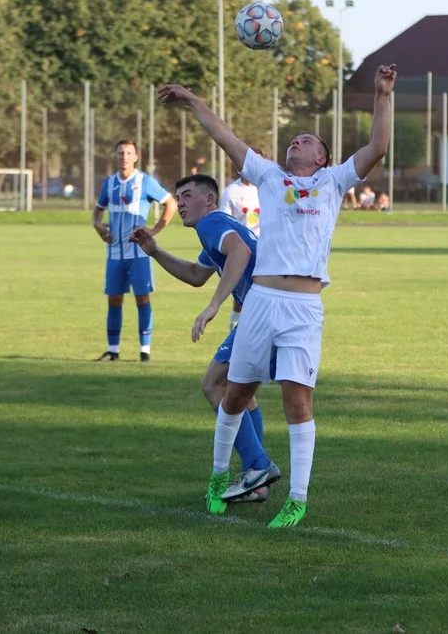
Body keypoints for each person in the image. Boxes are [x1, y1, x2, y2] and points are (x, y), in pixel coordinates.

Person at [158, 64, 397, 527]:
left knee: (297, 401)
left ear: (323, 158)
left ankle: (298, 500)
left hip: (304, 308)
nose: (297, 141)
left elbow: (378, 147)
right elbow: (224, 136)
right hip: (262, 303)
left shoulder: (333, 182)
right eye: (294, 138)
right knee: (234, 394)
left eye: (308, 140)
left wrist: (383, 94)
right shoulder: (268, 176)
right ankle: (218, 477)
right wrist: (191, 101)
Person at [129, 174, 279, 507]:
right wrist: (154, 250)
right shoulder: (217, 225)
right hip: (275, 310)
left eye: (186, 196)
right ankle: (255, 481)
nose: (179, 203)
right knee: (242, 393)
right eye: (177, 197)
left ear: (209, 199)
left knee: (213, 385)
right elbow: (196, 276)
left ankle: (258, 465)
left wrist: (214, 305)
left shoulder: (211, 223)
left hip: (261, 310)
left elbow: (239, 252)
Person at [92, 140, 176, 362]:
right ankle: (113, 351)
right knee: (114, 300)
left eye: (129, 153)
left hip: (139, 255)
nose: (124, 156)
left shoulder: (145, 182)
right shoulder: (109, 184)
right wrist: (98, 226)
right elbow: (97, 212)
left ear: (136, 157)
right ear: (115, 156)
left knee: (142, 299)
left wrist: (154, 231)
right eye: (121, 152)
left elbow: (171, 203)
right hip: (115, 254)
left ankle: (144, 352)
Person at [220, 147, 263, 330]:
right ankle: (234, 337)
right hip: (242, 253)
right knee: (241, 300)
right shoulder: (232, 192)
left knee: (263, 297)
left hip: (266, 252)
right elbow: (224, 222)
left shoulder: (268, 188)